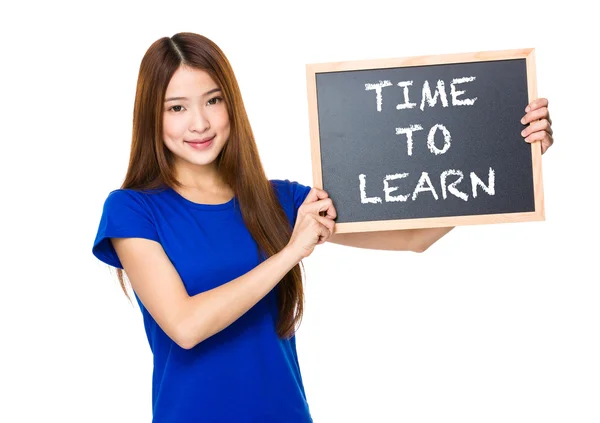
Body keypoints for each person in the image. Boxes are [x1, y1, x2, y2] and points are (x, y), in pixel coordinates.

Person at [91, 32, 554, 423]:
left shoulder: (279, 201)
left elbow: (415, 237)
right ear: (153, 115)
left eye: (213, 100)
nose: (200, 122)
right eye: (177, 108)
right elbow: (185, 326)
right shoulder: (132, 210)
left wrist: (512, 157)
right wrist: (290, 252)